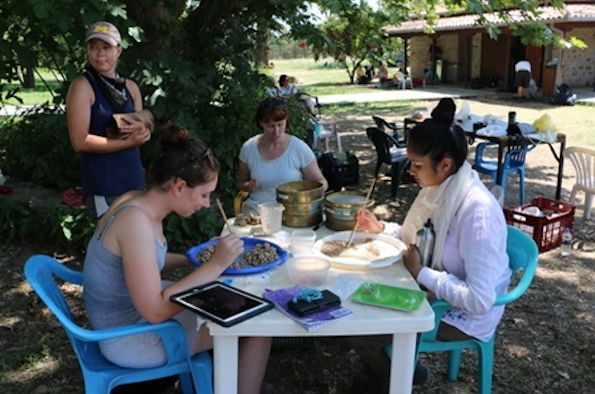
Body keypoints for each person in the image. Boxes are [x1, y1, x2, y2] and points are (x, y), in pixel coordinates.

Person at [83, 123, 271, 394]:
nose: (206, 204)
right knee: (256, 327)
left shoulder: (134, 200)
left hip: (131, 322)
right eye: (204, 194)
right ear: (179, 186)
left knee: (232, 302)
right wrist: (215, 265)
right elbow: (155, 311)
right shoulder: (135, 222)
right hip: (130, 339)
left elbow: (147, 261)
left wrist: (191, 259)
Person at [347, 118, 511, 388]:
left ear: (445, 164)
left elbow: (480, 300)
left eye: (417, 164)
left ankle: (396, 379)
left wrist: (421, 272)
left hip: (464, 314)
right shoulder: (441, 190)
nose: (410, 170)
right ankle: (395, 372)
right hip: (434, 289)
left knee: (361, 327)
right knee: (357, 298)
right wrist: (380, 228)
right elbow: (421, 238)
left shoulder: (477, 213)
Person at [66, 21, 152, 218]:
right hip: (104, 184)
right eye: (93, 47)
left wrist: (145, 127)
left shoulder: (130, 87)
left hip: (133, 181)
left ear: (119, 50)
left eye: (106, 47)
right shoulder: (83, 86)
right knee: (109, 245)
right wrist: (129, 142)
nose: (99, 53)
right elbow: (79, 141)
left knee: (135, 244)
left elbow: (141, 119)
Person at [237, 97, 328, 214]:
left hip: (292, 211)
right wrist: (248, 185)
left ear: (286, 121)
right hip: (257, 211)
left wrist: (305, 194)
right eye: (271, 126)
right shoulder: (248, 148)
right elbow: (241, 182)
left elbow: (321, 182)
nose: (276, 132)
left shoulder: (299, 148)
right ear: (261, 124)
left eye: (280, 125)